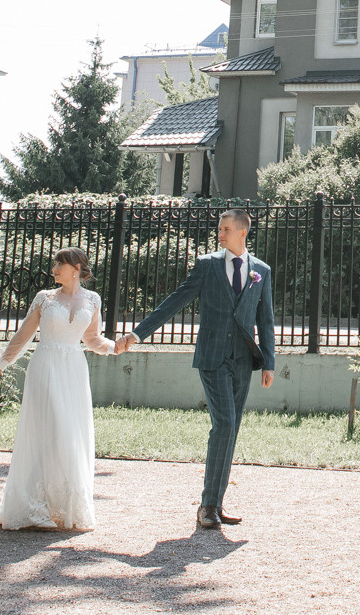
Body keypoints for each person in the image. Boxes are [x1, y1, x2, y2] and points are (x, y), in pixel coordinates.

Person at [117, 207, 276, 530]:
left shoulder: (261, 270)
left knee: (231, 429)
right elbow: (175, 301)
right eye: (219, 229)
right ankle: (207, 505)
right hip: (212, 358)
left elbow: (266, 320)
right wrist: (136, 334)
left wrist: (268, 363)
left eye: (226, 229)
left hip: (243, 360)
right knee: (225, 423)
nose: (220, 234)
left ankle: (215, 505)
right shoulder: (207, 266)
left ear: (242, 232)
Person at [0, 247, 117, 530]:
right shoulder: (44, 299)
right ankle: (34, 506)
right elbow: (24, 335)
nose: (54, 268)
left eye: (60, 264)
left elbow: (92, 338)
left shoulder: (93, 299)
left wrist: (114, 347)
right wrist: (1, 365)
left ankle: (63, 505)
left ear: (77, 268)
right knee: (49, 429)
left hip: (73, 369)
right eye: (55, 263)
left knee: (69, 433)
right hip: (45, 366)